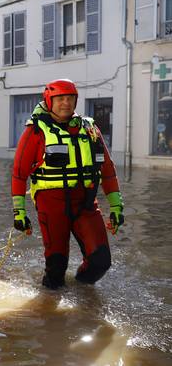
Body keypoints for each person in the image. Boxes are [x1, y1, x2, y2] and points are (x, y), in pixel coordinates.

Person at [12, 79, 124, 290]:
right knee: (56, 269)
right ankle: (51, 311)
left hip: (86, 205)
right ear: (49, 100)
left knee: (101, 262)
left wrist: (116, 206)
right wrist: (19, 211)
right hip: (52, 205)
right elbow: (19, 174)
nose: (66, 103)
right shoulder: (35, 131)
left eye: (70, 98)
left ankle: (81, 295)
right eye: (60, 98)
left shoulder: (90, 129)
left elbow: (107, 171)